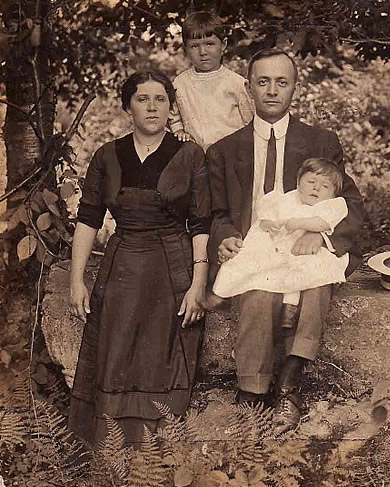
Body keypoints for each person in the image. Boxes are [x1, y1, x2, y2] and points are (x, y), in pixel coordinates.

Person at [207, 48, 364, 429]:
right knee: (259, 291)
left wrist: (322, 236)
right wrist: (226, 235)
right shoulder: (225, 150)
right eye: (263, 82)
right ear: (249, 89)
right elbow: (215, 213)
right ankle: (253, 391)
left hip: (304, 243)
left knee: (318, 279)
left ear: (295, 87)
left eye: (281, 82)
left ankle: (290, 385)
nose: (272, 91)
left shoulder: (321, 142)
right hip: (257, 246)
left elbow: (351, 203)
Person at [68, 70, 211, 448]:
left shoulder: (189, 154)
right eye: (142, 98)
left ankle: (159, 454)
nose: (152, 107)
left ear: (171, 106)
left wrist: (197, 285)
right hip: (122, 265)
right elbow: (88, 218)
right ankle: (113, 455)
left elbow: (200, 223)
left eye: (160, 99)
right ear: (127, 105)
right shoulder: (106, 156)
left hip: (172, 267)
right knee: (114, 355)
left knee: (162, 358)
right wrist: (76, 280)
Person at [211, 158, 349, 325]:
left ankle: (289, 309)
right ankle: (225, 294)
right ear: (298, 184)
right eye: (311, 181)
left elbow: (322, 223)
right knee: (259, 269)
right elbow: (266, 215)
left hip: (306, 250)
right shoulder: (285, 199)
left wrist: (299, 223)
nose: (316, 187)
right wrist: (269, 224)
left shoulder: (330, 206)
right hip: (277, 247)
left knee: (304, 271)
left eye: (325, 186)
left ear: (333, 195)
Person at [168, 10, 253, 151]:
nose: (203, 52)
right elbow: (174, 116)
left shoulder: (236, 83)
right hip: (197, 158)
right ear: (186, 49)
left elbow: (250, 122)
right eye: (195, 46)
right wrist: (179, 131)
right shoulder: (180, 84)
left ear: (223, 44)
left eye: (210, 44)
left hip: (231, 156)